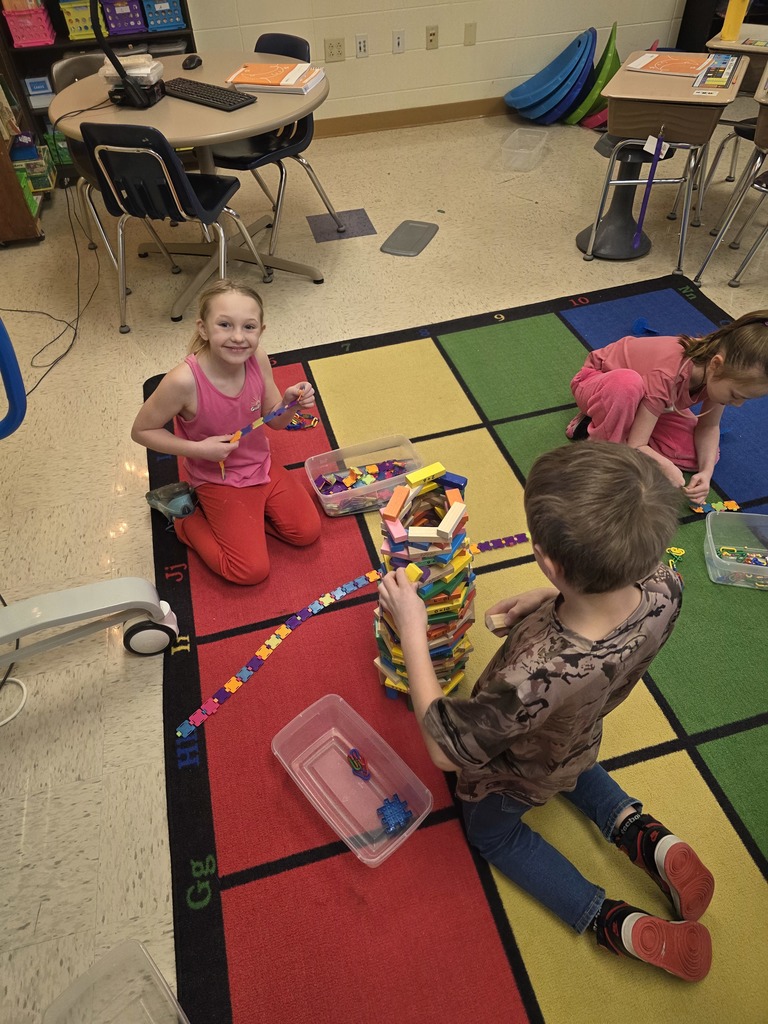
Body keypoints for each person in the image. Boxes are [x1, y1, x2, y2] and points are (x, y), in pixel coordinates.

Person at [377, 442, 715, 982]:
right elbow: (616, 600)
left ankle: (611, 921)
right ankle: (646, 835)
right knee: (572, 767)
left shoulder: (537, 675)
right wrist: (550, 599)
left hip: (513, 771)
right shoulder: (666, 586)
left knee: (494, 834)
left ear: (551, 561)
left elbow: (444, 747)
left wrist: (414, 630)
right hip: (577, 734)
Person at [132, 279, 320, 585]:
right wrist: (198, 450)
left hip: (262, 467)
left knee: (307, 532)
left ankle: (246, 524)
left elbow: (274, 421)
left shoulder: (257, 359)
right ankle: (184, 516)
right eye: (224, 325)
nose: (238, 338)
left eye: (249, 327)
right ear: (203, 329)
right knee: (250, 571)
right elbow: (141, 431)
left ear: (261, 330)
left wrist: (289, 405)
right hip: (216, 479)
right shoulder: (183, 381)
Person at [564, 311, 768, 505]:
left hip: (651, 402)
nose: (738, 404)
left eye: (745, 399)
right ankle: (600, 437)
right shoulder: (670, 373)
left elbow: (708, 427)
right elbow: (638, 444)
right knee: (627, 385)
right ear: (715, 365)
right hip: (600, 384)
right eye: (735, 396)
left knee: (704, 455)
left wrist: (706, 473)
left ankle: (616, 427)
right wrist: (663, 464)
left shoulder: (719, 373)